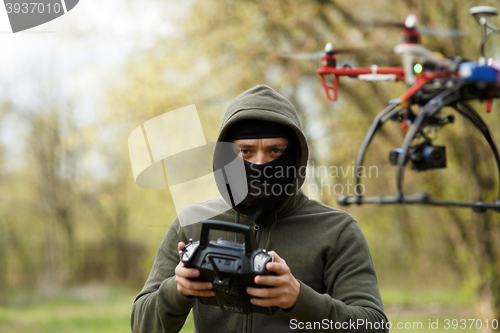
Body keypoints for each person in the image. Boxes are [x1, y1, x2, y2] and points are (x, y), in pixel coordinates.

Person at [131, 85, 389, 333]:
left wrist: (299, 299)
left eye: (275, 151)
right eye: (245, 152)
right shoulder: (192, 223)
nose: (260, 164)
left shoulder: (336, 230)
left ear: (295, 156)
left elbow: (373, 324)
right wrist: (178, 288)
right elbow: (142, 326)